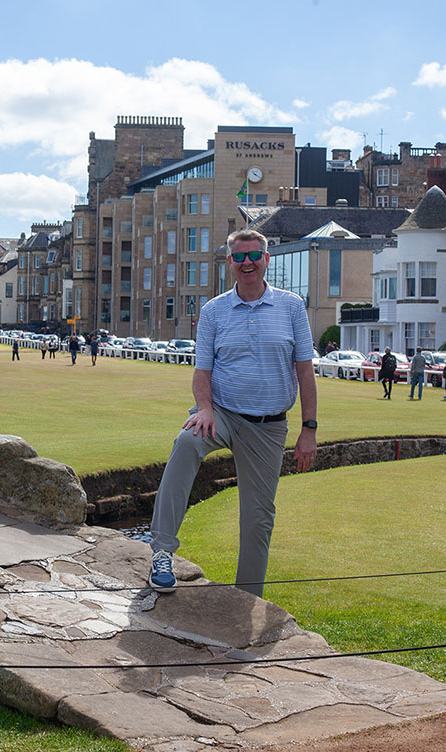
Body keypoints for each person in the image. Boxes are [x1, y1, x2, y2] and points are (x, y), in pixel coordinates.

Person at [148, 229, 317, 598]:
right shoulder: (213, 311)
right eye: (239, 257)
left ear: (266, 258)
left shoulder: (291, 307)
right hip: (221, 413)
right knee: (186, 442)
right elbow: (202, 372)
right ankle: (162, 552)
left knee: (258, 518)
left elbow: (305, 371)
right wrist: (205, 408)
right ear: (229, 263)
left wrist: (309, 429)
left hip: (268, 426)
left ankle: (247, 596)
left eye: (254, 255)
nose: (247, 263)